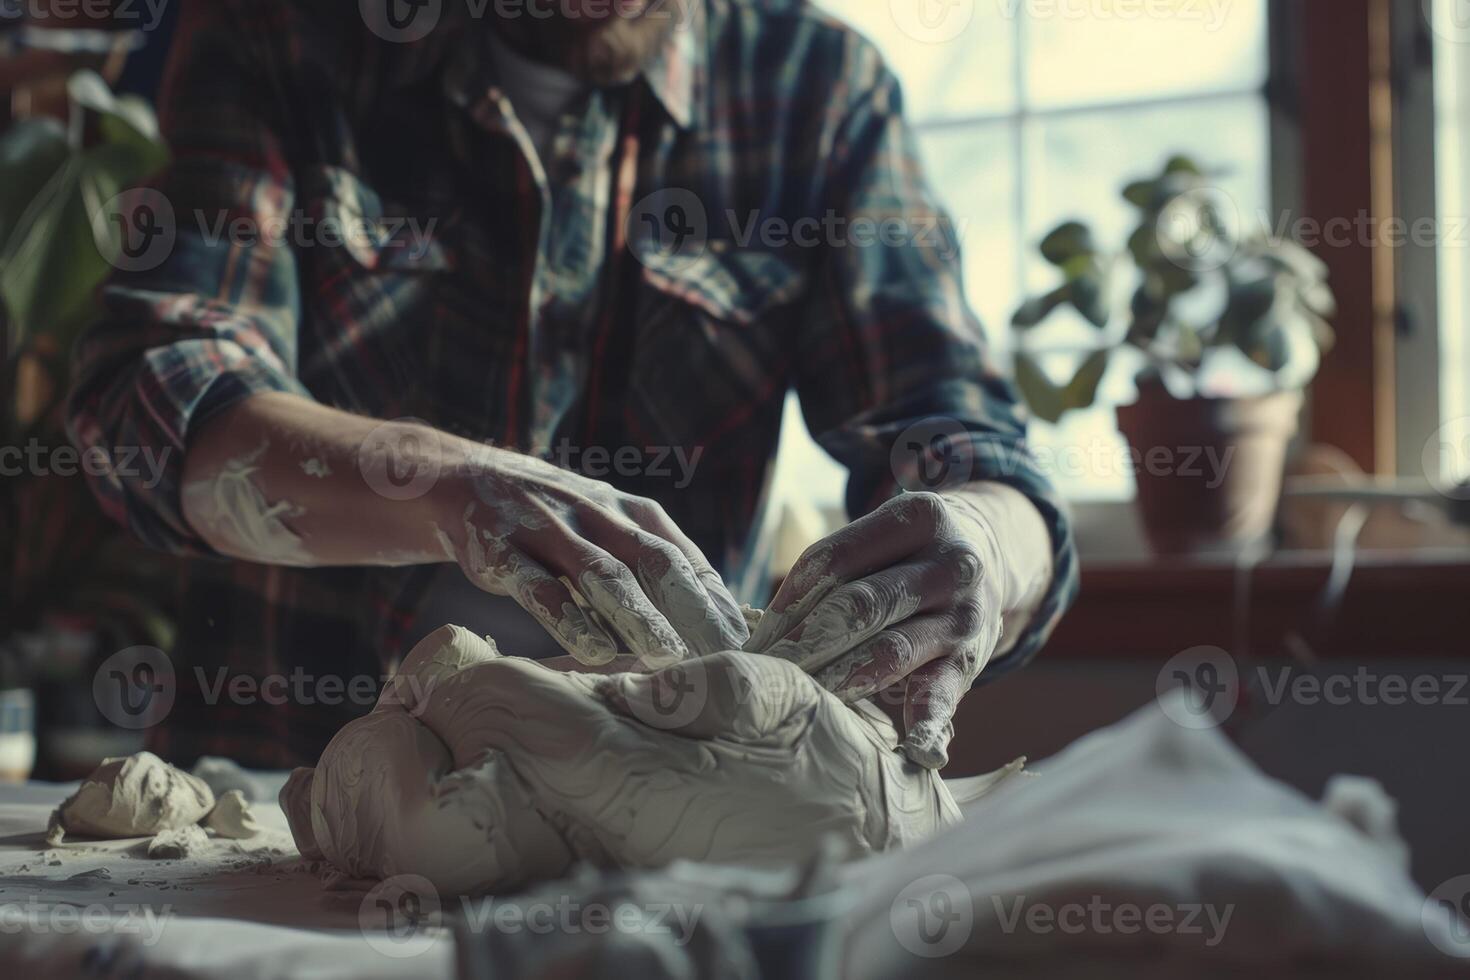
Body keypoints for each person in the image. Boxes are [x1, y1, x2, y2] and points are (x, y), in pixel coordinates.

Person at [67, 0, 1078, 770]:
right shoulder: (284, 35)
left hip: (673, 800)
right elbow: (157, 399)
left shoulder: (813, 86)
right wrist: (446, 485)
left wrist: (987, 542)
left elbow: (958, 435)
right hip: (278, 797)